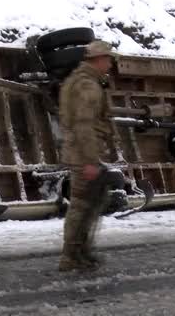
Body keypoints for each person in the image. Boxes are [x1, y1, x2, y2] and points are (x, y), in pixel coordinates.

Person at [58, 40, 118, 272]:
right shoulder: (88, 86)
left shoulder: (77, 80)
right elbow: (84, 125)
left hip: (79, 152)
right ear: (99, 59)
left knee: (89, 204)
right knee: (82, 206)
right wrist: (91, 161)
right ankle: (71, 255)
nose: (111, 63)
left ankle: (80, 252)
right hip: (84, 155)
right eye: (108, 59)